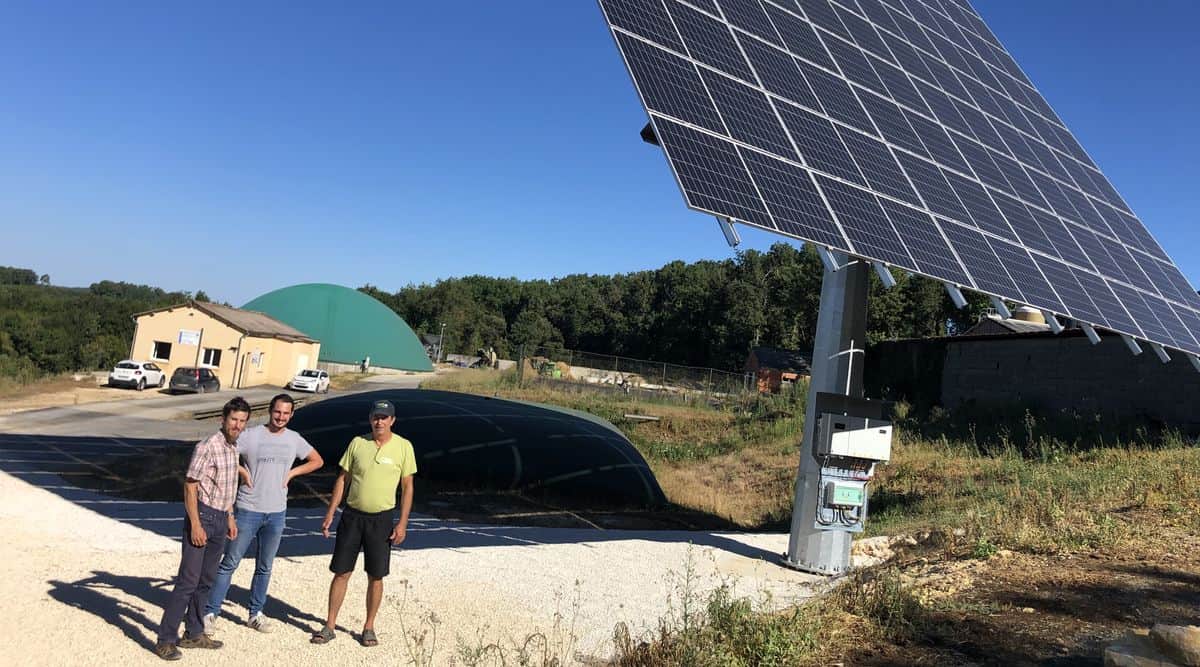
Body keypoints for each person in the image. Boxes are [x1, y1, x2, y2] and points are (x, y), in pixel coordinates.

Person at [202, 394, 324, 634]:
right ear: (270, 411)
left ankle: (255, 613)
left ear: (291, 415)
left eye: (286, 413)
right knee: (230, 563)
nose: (281, 417)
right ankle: (210, 612)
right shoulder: (251, 435)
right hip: (248, 509)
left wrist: (291, 474)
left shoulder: (294, 439)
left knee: (265, 566)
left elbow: (316, 460)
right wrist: (240, 471)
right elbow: (222, 452)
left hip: (277, 512)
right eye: (277, 412)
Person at [310, 398, 416, 647]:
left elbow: (408, 486)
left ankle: (368, 627)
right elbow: (342, 479)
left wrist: (402, 523)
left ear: (392, 420)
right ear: (370, 419)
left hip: (381, 519)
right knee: (341, 572)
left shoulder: (403, 447)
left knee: (376, 575)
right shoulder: (358, 443)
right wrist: (330, 512)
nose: (379, 421)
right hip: (352, 516)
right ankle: (330, 625)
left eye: (384, 417)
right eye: (375, 417)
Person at [155, 397, 250, 661]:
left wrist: (230, 517)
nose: (237, 425)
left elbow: (228, 487)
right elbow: (190, 486)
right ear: (223, 419)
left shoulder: (234, 448)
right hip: (203, 516)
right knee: (187, 581)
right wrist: (195, 524)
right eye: (234, 420)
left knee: (206, 580)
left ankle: (194, 633)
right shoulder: (207, 446)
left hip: (221, 518)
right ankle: (165, 639)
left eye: (242, 421)